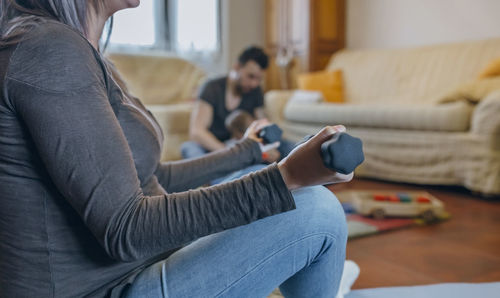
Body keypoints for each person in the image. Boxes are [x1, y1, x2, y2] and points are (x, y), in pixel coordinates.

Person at [0, 1, 352, 297]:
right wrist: (286, 176)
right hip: (109, 287)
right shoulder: (47, 50)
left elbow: (154, 177)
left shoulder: (84, 53)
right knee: (316, 211)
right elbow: (127, 229)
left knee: (256, 179)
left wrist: (249, 153)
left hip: (139, 267)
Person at [181, 46, 295, 161]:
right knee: (189, 148)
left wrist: (269, 145)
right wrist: (229, 153)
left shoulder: (255, 91)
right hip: (215, 148)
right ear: (237, 67)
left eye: (259, 79)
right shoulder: (211, 88)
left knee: (287, 145)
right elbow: (197, 132)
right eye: (250, 76)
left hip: (242, 148)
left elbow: (262, 124)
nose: (254, 84)